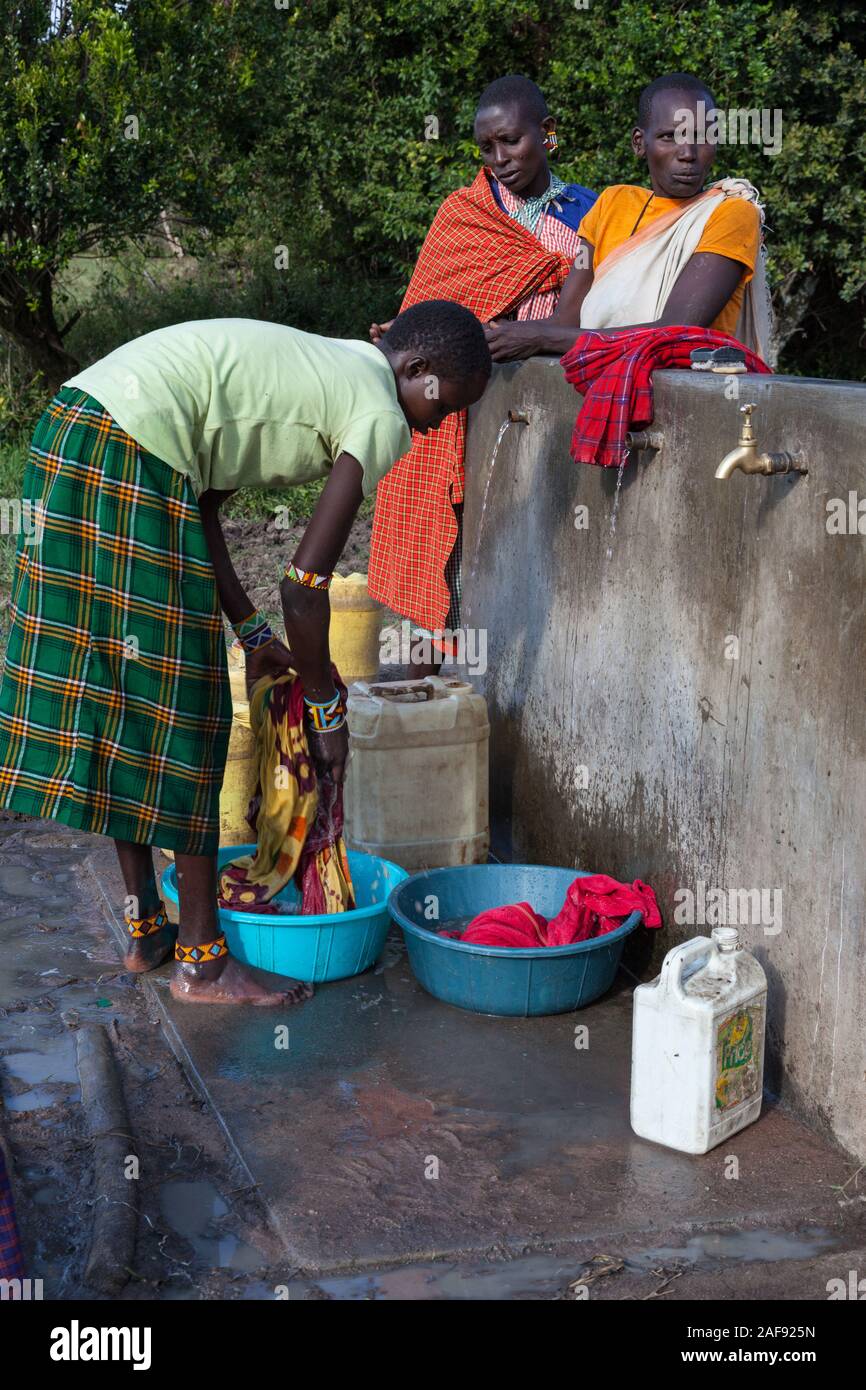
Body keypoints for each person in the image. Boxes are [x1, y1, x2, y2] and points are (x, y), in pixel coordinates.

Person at [0, 303, 490, 1006]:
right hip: (126, 448)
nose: (437, 426)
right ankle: (203, 964)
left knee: (127, 698)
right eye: (442, 404)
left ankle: (148, 931)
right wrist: (326, 708)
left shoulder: (331, 366)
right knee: (187, 712)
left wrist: (253, 636)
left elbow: (201, 508)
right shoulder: (380, 410)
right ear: (413, 369)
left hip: (80, 431)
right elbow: (304, 588)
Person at [368, 75, 596, 676]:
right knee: (448, 550)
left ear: (547, 134)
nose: (500, 161)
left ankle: (484, 686)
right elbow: (433, 305)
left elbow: (597, 310)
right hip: (453, 406)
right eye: (487, 149)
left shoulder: (593, 215)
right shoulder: (464, 214)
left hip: (542, 399)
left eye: (512, 142)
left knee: (511, 543)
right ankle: (419, 689)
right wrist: (400, 338)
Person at [485, 73, 769, 363]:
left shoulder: (731, 213)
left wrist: (539, 338)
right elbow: (566, 322)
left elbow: (673, 332)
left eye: (701, 137)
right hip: (597, 391)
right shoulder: (612, 204)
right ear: (639, 143)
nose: (687, 153)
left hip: (689, 398)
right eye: (669, 136)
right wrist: (498, 335)